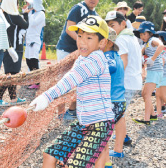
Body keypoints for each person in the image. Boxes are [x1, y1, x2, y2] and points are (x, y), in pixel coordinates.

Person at [30, 15, 114, 168]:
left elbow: (71, 79)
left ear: (102, 42)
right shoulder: (82, 58)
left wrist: (47, 97)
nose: (82, 41)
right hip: (83, 122)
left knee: (75, 165)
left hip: (100, 124)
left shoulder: (96, 59)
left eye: (89, 38)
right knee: (50, 154)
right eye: (80, 36)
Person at [105, 11, 142, 156]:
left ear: (123, 23)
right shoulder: (130, 36)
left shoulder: (120, 39)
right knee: (121, 114)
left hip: (125, 82)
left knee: (118, 117)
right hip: (133, 80)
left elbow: (123, 62)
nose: (111, 28)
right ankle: (123, 138)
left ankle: (118, 149)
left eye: (113, 25)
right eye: (108, 25)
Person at [55, 0, 99, 120]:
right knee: (63, 81)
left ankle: (72, 110)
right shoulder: (78, 8)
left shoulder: (96, 15)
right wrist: (83, 43)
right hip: (66, 49)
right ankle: (61, 113)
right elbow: (69, 29)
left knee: (79, 80)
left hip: (82, 52)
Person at [0, 0, 30, 106]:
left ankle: (13, 98)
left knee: (11, 73)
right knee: (10, 74)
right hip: (15, 48)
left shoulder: (2, 15)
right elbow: (26, 25)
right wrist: (25, 14)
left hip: (6, 48)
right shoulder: (14, 16)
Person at [101, 27, 126, 167]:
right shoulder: (117, 55)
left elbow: (111, 69)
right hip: (120, 100)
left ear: (109, 42)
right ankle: (117, 151)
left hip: (112, 101)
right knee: (107, 132)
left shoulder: (108, 56)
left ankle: (106, 163)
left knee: (102, 136)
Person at [132, 21, 164, 125]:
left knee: (147, 94)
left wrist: (152, 59)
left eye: (144, 33)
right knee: (144, 94)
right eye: (140, 34)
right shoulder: (146, 44)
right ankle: (153, 115)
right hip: (151, 71)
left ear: (150, 33)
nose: (142, 36)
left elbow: (161, 46)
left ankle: (146, 120)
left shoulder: (153, 40)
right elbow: (139, 54)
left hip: (155, 71)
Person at [24, 0, 45, 89]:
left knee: (34, 61)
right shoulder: (33, 14)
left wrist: (28, 14)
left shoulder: (41, 14)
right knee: (28, 60)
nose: (29, 5)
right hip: (29, 40)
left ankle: (37, 82)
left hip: (35, 41)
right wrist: (26, 13)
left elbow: (32, 23)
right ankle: (32, 80)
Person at [155, 31, 166, 118]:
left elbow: (161, 63)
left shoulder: (162, 51)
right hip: (161, 76)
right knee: (158, 95)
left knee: (162, 95)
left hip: (163, 76)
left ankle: (159, 113)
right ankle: (159, 114)